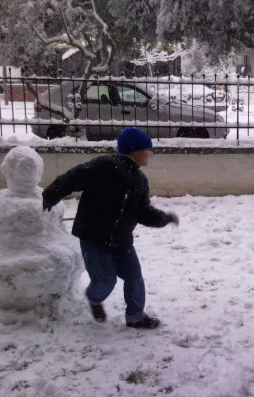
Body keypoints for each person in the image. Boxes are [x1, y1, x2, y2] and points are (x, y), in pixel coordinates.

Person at [42, 127, 179, 328]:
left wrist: (164, 218)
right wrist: (49, 196)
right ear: (136, 150)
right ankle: (94, 298)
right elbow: (71, 178)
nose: (151, 153)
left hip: (122, 239)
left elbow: (143, 211)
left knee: (134, 276)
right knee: (106, 281)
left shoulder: (140, 180)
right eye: (148, 149)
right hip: (93, 237)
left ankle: (136, 316)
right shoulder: (104, 166)